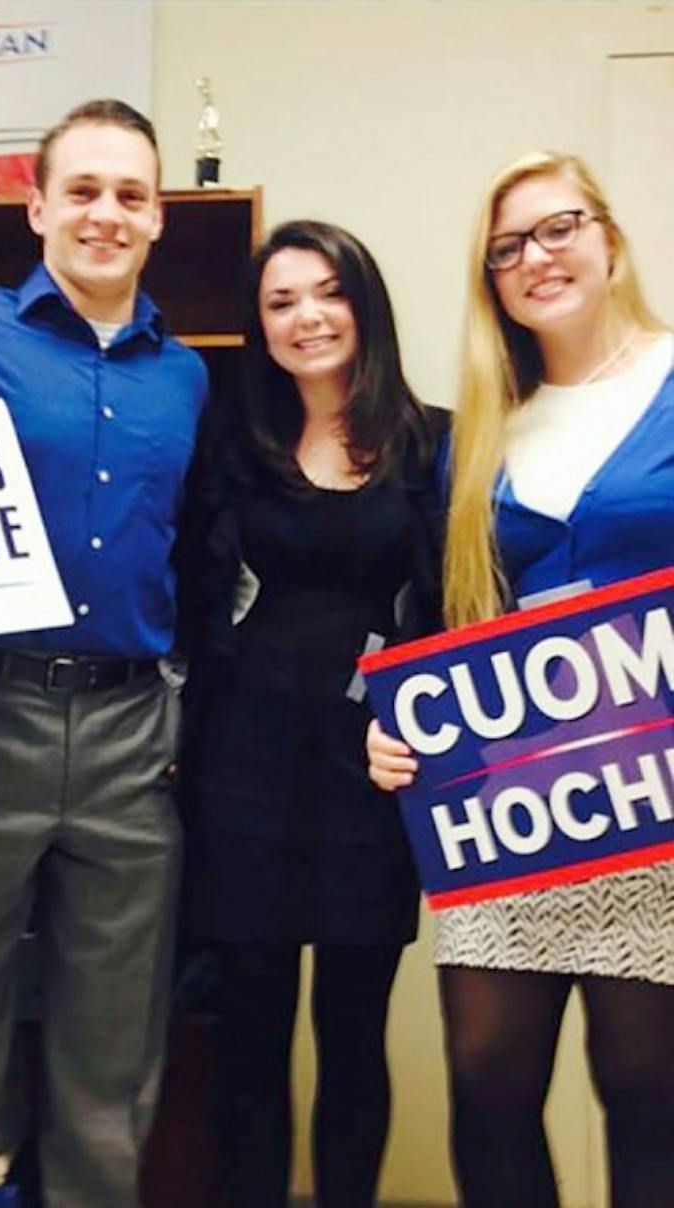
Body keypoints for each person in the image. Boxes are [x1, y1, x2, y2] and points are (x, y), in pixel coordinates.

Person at [0, 99, 207, 1208]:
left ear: (157, 215)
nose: (105, 214)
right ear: (38, 207)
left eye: (129, 194)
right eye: (83, 190)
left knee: (109, 1063)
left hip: (130, 735)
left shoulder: (187, 377)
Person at [368, 151, 674, 1208]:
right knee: (487, 1090)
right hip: (510, 815)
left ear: (608, 237)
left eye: (557, 228)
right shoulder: (478, 432)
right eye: (507, 248)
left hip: (656, 815)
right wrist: (391, 722)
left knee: (647, 1096)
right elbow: (441, 622)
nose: (535, 257)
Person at [179, 220, 443, 1208]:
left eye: (325, 292)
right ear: (260, 324)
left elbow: (456, 611)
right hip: (243, 762)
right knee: (246, 1030)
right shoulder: (232, 438)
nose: (305, 317)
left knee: (352, 1030)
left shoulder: (430, 441)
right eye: (280, 300)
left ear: (362, 304)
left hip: (370, 771)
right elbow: (195, 593)